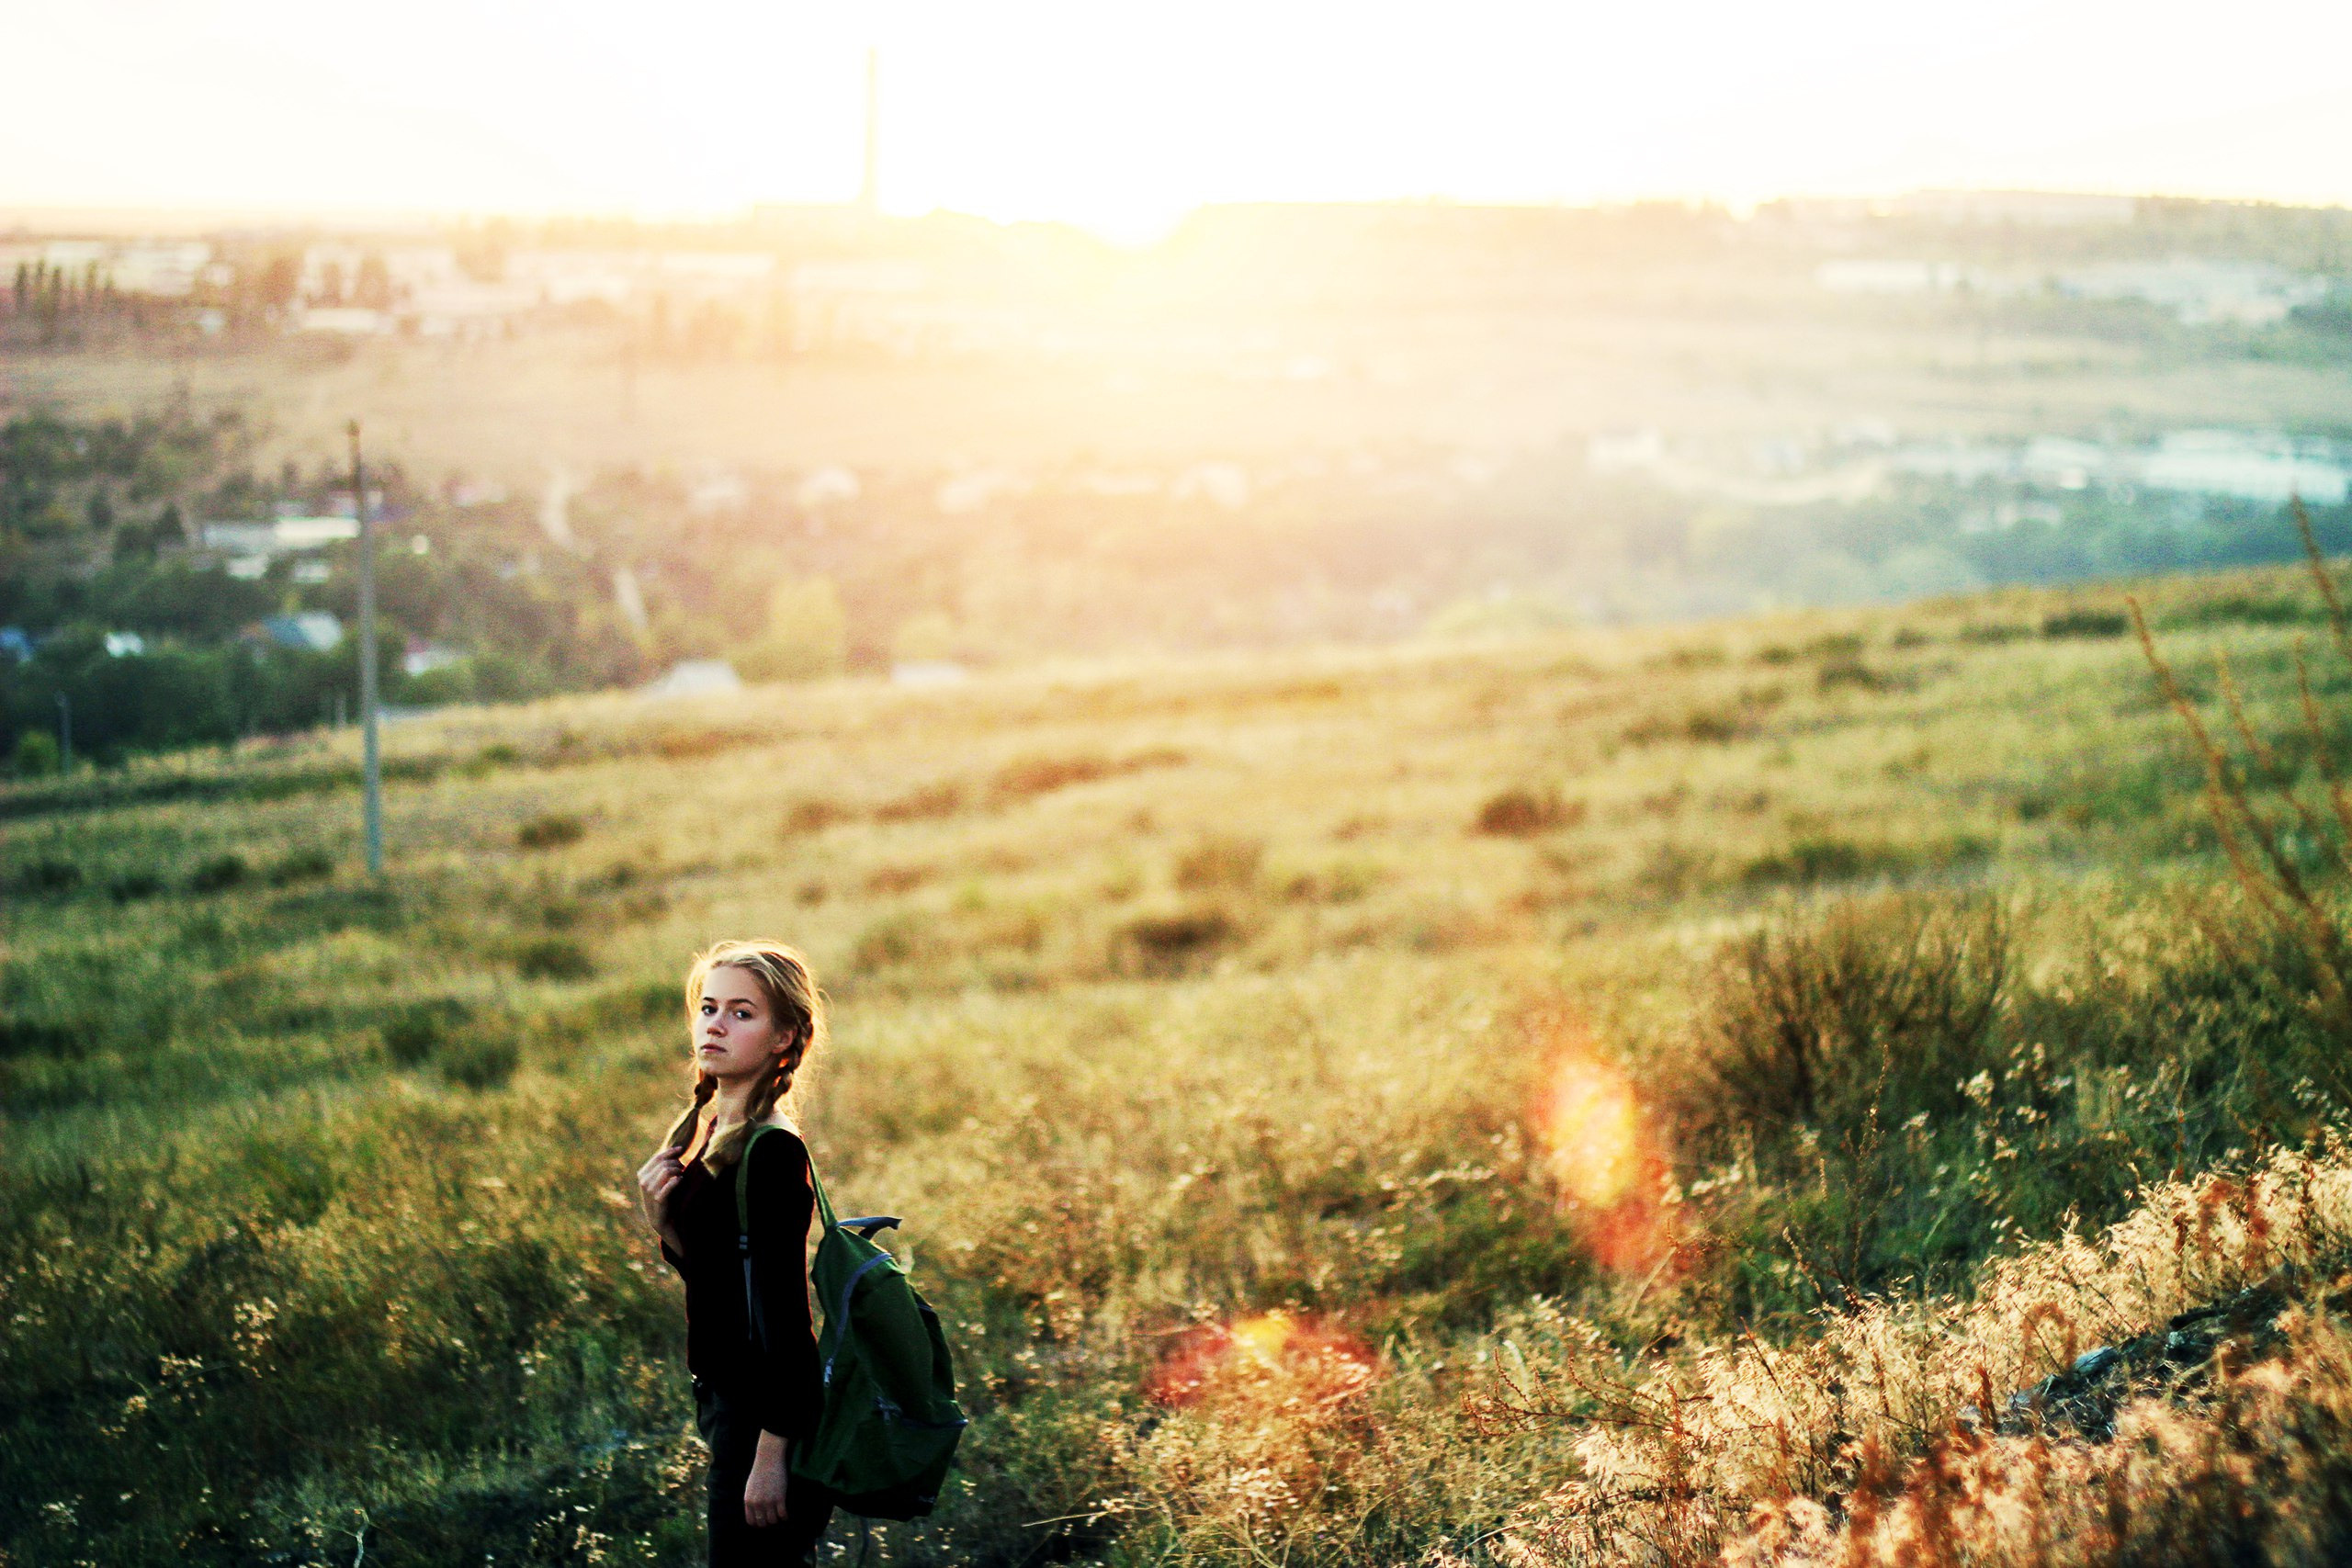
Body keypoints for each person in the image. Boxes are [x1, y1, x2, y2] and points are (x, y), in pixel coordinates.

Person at [637, 941, 834, 1565]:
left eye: (742, 1012)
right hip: (728, 1405)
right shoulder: (719, 1132)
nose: (715, 1023)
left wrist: (770, 1458)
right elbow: (723, 1280)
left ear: (783, 1037)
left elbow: (786, 1322)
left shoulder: (770, 1151)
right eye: (709, 1006)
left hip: (760, 1419)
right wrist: (663, 1220)